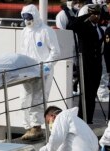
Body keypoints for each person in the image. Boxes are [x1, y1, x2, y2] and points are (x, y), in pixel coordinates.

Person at [18, 4, 61, 140]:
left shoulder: (46, 31)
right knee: (24, 99)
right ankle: (28, 127)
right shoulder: (25, 32)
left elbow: (55, 52)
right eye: (24, 17)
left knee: (38, 99)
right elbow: (23, 51)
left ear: (35, 15)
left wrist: (46, 67)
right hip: (27, 71)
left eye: (29, 17)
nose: (27, 20)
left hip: (43, 72)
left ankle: (36, 127)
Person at [67, 4, 104, 124]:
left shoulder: (99, 28)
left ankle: (89, 118)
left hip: (96, 64)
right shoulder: (83, 26)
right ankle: (82, 118)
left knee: (93, 92)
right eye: (94, 14)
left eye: (98, 14)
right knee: (86, 91)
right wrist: (86, 15)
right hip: (85, 63)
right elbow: (71, 25)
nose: (97, 16)